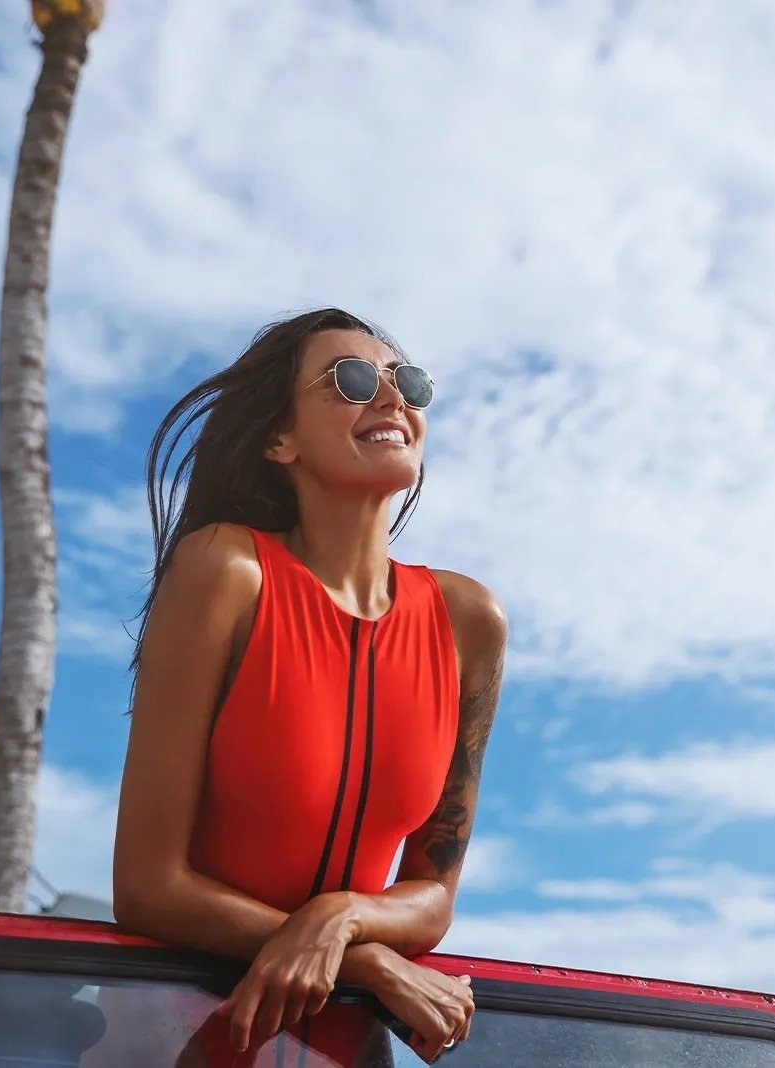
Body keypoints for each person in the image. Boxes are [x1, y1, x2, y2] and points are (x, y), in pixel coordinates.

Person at [111, 308, 508, 1065]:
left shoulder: (468, 621)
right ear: (278, 439)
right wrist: (363, 957)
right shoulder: (225, 571)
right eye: (352, 381)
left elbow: (432, 898)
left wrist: (336, 917)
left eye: (408, 384)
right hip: (179, 1035)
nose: (393, 401)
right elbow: (148, 885)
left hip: (348, 1048)